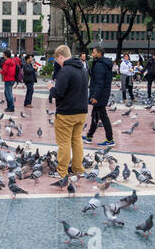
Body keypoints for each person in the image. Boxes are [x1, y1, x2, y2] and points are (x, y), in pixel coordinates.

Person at [48, 45, 88, 179]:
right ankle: (78, 169)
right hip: (81, 112)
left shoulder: (65, 71)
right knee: (77, 141)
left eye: (57, 60)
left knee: (64, 143)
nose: (57, 63)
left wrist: (51, 88)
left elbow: (59, 93)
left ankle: (61, 171)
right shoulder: (83, 69)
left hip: (66, 113)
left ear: (61, 56)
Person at [82, 46, 115, 147]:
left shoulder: (100, 65)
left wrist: (95, 96)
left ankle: (110, 139)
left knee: (103, 116)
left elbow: (99, 82)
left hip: (100, 95)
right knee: (95, 115)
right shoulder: (103, 64)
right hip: (102, 93)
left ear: (99, 53)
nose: (92, 54)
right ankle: (89, 136)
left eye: (94, 52)